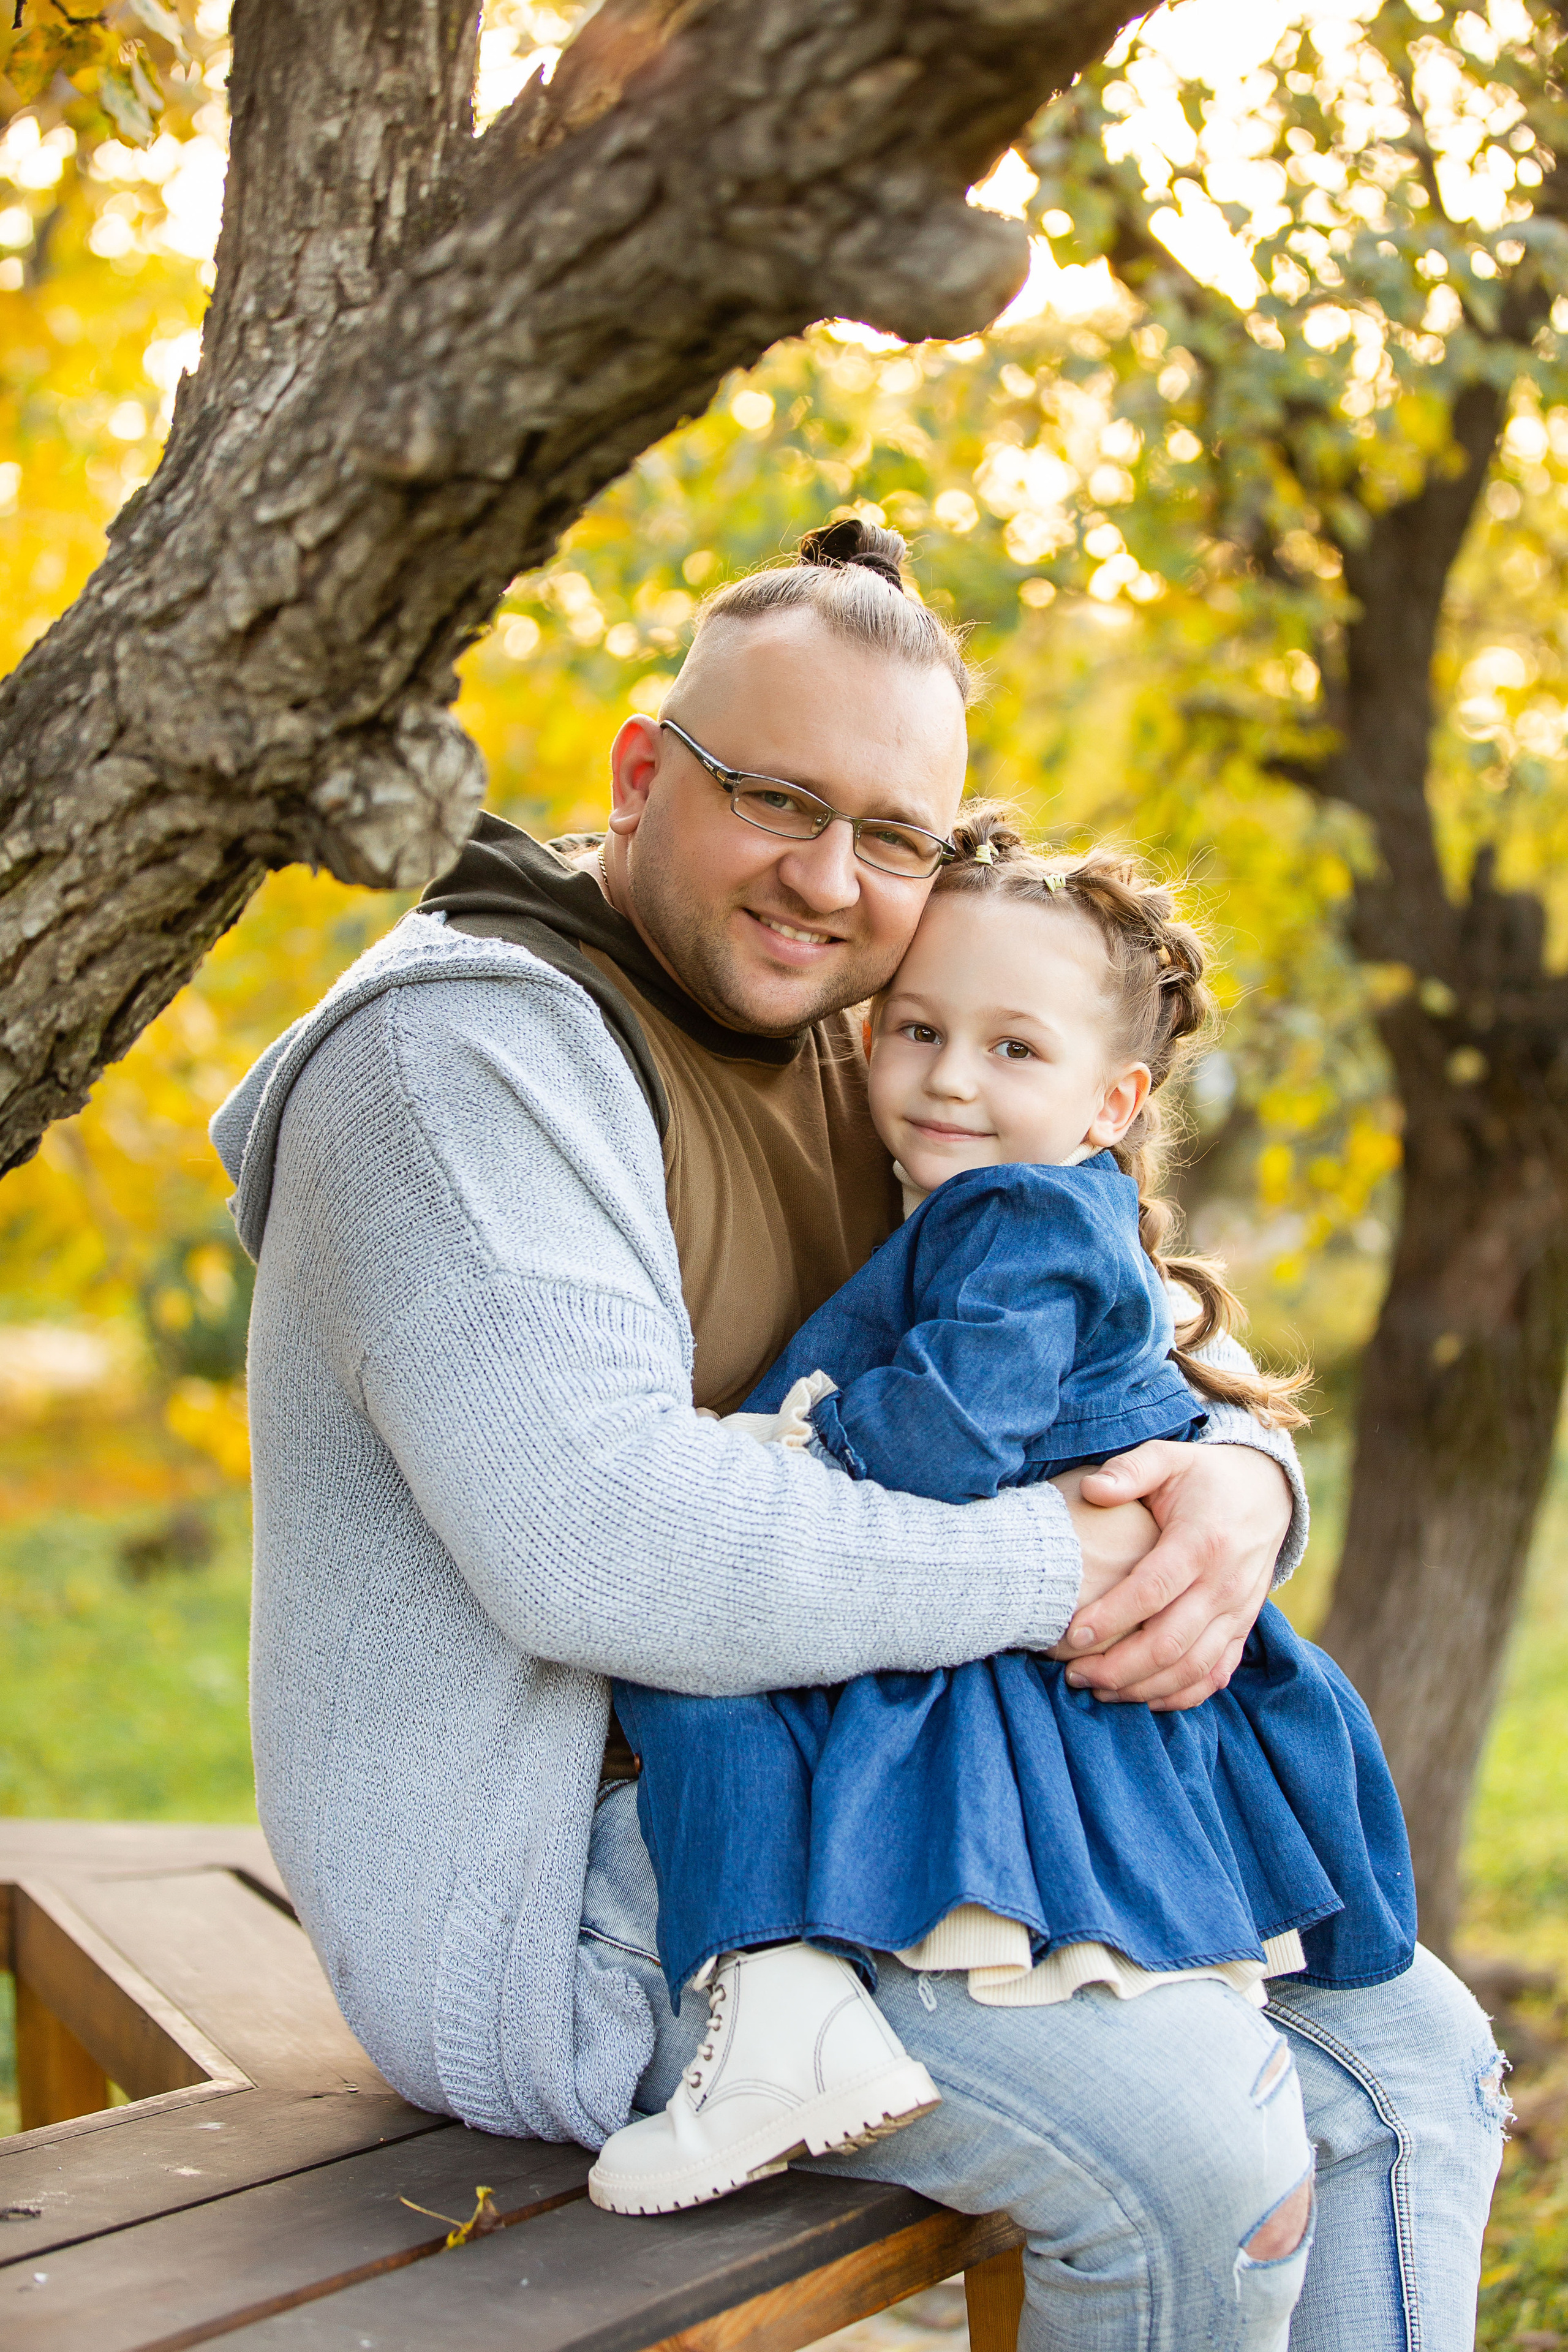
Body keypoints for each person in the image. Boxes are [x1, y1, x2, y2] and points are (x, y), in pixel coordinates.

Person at [213, 518, 1506, 2351]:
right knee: (1196, 2159)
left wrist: (1239, 1483)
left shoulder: (864, 1027)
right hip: (607, 1895)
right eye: (773, 800)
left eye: (893, 836)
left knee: (1413, 2064)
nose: (829, 877)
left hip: (919, 1782)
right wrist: (1074, 1568)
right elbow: (607, 1543)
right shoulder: (457, 1072)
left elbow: (1095, 1312)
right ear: (646, 776)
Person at [594, 821, 1414, 2228]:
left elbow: (957, 1430)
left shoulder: (1015, 1216)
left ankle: (776, 2013)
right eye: (915, 1031)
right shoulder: (1033, 1199)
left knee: (698, 1675)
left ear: (1113, 1102)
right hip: (1042, 1617)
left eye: (1012, 1050)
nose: (950, 1079)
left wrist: (799, 1444)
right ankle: (780, 2005)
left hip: (1040, 1634)